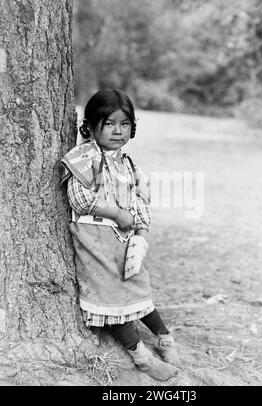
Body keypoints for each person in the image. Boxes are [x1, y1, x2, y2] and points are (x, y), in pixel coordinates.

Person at [61, 89, 180, 381]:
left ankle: (165, 338)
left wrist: (140, 230)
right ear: (90, 126)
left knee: (138, 285)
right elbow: (79, 200)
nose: (118, 130)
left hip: (125, 238)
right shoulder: (82, 158)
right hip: (94, 238)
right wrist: (115, 213)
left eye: (124, 124)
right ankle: (141, 356)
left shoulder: (128, 165)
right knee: (109, 296)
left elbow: (140, 202)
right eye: (109, 123)